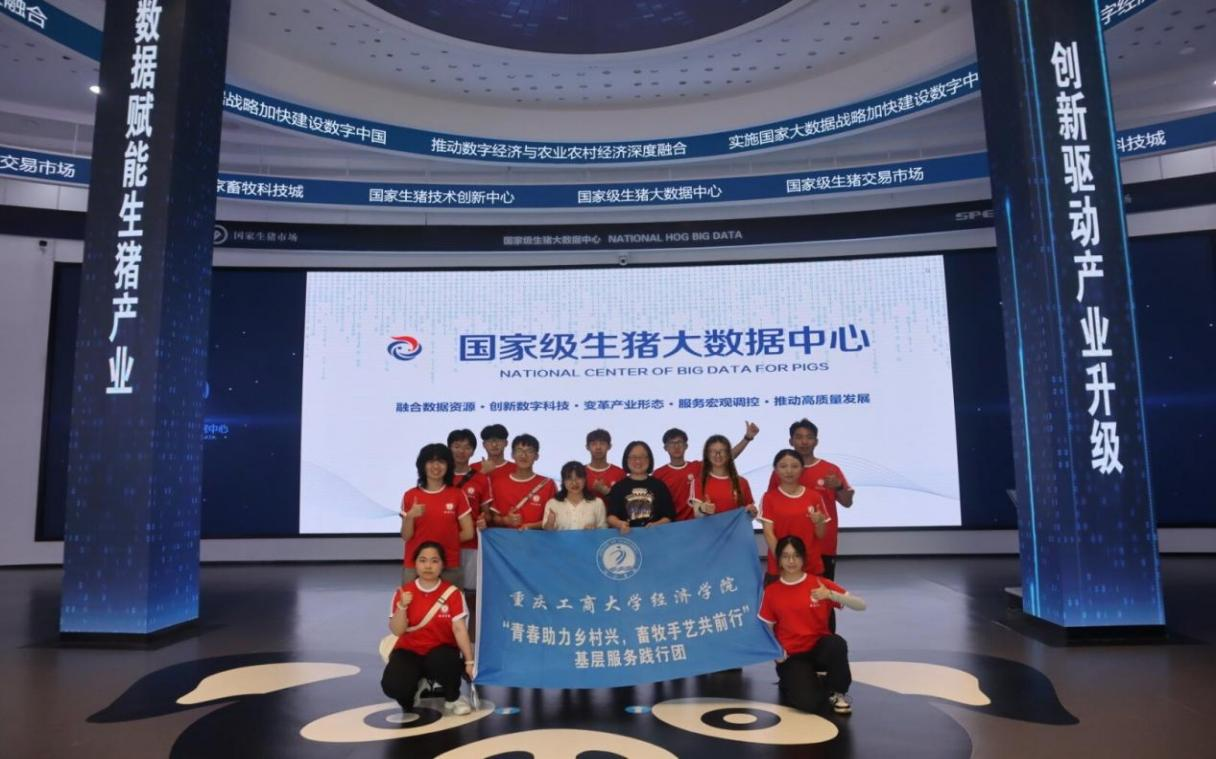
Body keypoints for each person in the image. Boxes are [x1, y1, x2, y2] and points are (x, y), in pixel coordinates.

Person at [758, 535, 866, 715]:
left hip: (819, 649)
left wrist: (830, 595)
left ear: (803, 558)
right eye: (786, 556)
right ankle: (795, 680)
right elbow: (766, 629)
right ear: (779, 559)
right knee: (809, 704)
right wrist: (777, 653)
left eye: (796, 556)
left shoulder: (819, 584)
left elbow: (861, 605)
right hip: (792, 655)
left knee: (836, 643)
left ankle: (837, 692)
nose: (791, 561)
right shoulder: (772, 592)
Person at [381, 541, 475, 717]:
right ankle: (411, 694)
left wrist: (470, 662)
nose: (428, 566)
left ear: (442, 565)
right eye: (423, 560)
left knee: (446, 661)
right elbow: (397, 631)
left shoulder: (453, 593)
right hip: (410, 650)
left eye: (434, 561)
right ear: (415, 564)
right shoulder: (404, 592)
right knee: (394, 686)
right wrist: (402, 606)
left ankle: (453, 698)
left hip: (441, 650)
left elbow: (460, 629)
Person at [766, 419, 855, 581]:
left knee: (822, 594)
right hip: (788, 548)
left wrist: (839, 486)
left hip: (823, 545)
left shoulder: (830, 469)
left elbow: (847, 502)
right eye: (799, 437)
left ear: (816, 441)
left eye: (809, 437)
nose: (804, 442)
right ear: (791, 441)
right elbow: (771, 507)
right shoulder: (780, 472)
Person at [400, 443, 474, 586]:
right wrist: (410, 517)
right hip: (416, 564)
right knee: (412, 600)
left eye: (441, 462)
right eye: (430, 461)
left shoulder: (457, 494)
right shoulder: (410, 495)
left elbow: (468, 532)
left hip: (448, 563)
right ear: (422, 465)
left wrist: (442, 543)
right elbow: (406, 536)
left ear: (448, 466)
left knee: (451, 600)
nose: (436, 466)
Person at [654, 422, 759, 521]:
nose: (676, 446)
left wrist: (747, 438)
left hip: (697, 524)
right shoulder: (658, 474)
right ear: (665, 447)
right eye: (671, 443)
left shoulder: (697, 467)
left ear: (686, 446)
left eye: (679, 442)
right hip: (671, 526)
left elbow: (727, 457)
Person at [760, 449, 828, 581]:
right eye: (783, 466)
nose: (789, 471)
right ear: (775, 470)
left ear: (802, 469)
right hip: (780, 569)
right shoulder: (769, 498)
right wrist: (784, 560)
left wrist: (819, 522)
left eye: (795, 466)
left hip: (810, 566)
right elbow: (768, 533)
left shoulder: (814, 497)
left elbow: (821, 535)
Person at [447, 429, 492, 590]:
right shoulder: (439, 477)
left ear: (473, 451)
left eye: (467, 447)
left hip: (471, 545)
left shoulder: (481, 479)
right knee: (445, 593)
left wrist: (484, 520)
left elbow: (487, 514)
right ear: (449, 448)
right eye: (457, 446)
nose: (461, 451)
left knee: (471, 591)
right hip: (444, 545)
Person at [488, 433, 556, 530]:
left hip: (536, 539)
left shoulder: (548, 484)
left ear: (536, 456)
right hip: (506, 539)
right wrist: (506, 520)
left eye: (529, 451)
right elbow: (493, 518)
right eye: (519, 450)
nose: (523, 455)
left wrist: (530, 526)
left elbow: (554, 519)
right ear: (512, 454)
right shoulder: (498, 484)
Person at [606, 441, 675, 533]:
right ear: (626, 460)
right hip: (627, 538)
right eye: (633, 457)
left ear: (649, 459)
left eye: (642, 457)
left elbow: (669, 516)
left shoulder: (659, 486)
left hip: (656, 536)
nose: (638, 461)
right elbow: (611, 516)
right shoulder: (618, 487)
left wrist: (656, 525)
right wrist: (619, 524)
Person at [690, 433, 757, 518]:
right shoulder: (698, 482)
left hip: (736, 527)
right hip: (710, 527)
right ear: (707, 454)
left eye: (722, 451)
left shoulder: (742, 482)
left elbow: (748, 516)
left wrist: (752, 512)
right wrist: (703, 509)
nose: (718, 455)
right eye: (713, 451)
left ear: (728, 454)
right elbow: (697, 514)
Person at [543, 461, 608, 531]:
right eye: (569, 478)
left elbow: (604, 531)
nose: (574, 483)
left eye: (578, 478)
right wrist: (550, 523)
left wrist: (594, 529)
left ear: (585, 479)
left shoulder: (597, 503)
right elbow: (547, 532)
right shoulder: (553, 503)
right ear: (563, 481)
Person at [584, 429, 626, 501]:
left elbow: (625, 501)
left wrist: (607, 492)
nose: (598, 447)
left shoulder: (619, 473)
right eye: (594, 444)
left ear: (609, 446)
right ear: (587, 447)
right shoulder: (580, 472)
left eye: (602, 443)